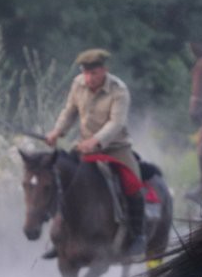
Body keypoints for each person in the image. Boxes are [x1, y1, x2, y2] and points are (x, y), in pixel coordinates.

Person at [44, 48, 145, 259]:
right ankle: (60, 236)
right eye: (85, 72)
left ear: (104, 70)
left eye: (94, 73)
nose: (88, 78)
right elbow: (69, 112)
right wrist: (57, 132)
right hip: (83, 147)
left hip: (116, 148)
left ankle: (137, 236)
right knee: (61, 177)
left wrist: (96, 141)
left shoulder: (119, 90)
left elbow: (116, 123)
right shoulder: (77, 84)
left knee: (134, 183)